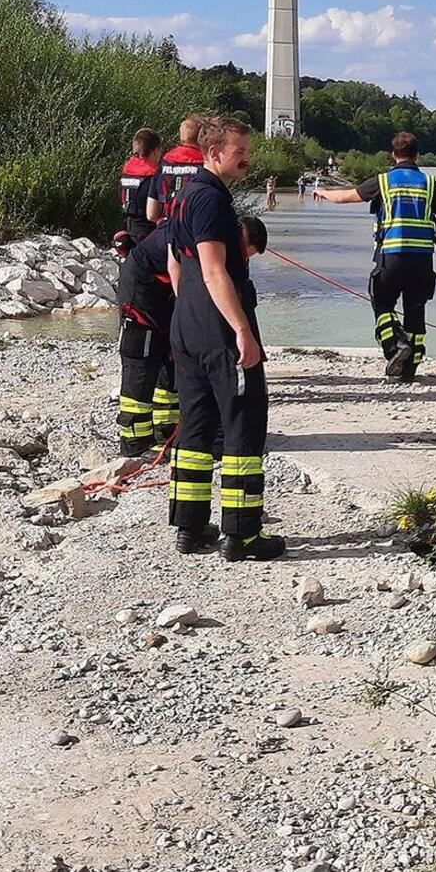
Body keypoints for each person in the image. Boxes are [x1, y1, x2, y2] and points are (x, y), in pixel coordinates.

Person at [165, 117, 284, 562]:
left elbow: (177, 262)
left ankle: (191, 529)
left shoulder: (183, 196)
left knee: (195, 427)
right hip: (218, 331)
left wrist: (187, 312)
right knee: (242, 426)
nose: (247, 159)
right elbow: (215, 270)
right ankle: (242, 535)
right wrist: (241, 330)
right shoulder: (212, 201)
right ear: (214, 153)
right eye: (240, 152)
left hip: (188, 325)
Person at [314, 131, 436, 382]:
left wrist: (324, 192)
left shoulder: (383, 182)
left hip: (391, 257)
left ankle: (394, 344)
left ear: (393, 155)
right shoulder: (430, 183)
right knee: (416, 310)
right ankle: (410, 370)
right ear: (417, 155)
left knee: (381, 303)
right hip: (422, 261)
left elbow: (347, 196)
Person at [113, 214, 178, 458]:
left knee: (167, 359)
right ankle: (135, 442)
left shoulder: (189, 222)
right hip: (139, 298)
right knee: (140, 366)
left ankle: (166, 430)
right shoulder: (188, 228)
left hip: (160, 296)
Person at [144, 117, 206, 236]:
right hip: (195, 232)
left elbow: (151, 214)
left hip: (168, 231)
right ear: (203, 138)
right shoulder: (206, 164)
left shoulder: (164, 163)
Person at [113, 127, 162, 257]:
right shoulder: (154, 175)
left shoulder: (126, 172)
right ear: (155, 151)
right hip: (149, 231)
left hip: (129, 228)